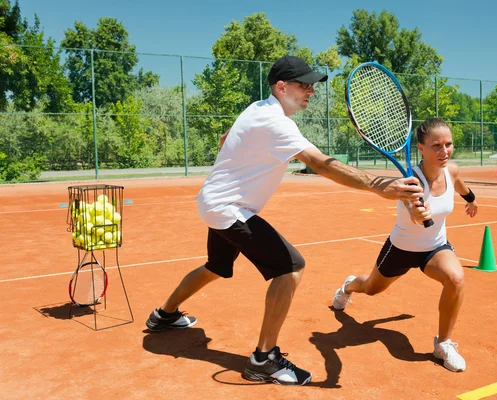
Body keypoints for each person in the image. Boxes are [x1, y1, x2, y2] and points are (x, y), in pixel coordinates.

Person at [145, 55, 426, 386]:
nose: (310, 91)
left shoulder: (257, 109)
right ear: (282, 87)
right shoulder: (276, 122)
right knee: (290, 268)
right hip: (228, 208)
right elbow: (320, 163)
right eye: (304, 85)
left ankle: (164, 315)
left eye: (312, 86)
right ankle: (263, 359)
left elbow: (225, 138)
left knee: (216, 267)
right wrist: (380, 187)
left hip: (216, 202)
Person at [332, 117, 478, 373]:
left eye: (448, 144)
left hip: (435, 249)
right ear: (420, 148)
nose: (444, 151)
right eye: (436, 145)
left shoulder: (451, 170)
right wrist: (418, 214)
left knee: (456, 279)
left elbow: (460, 185)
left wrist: (471, 199)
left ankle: (443, 343)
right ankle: (348, 285)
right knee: (371, 288)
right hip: (400, 249)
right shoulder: (411, 181)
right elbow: (413, 212)